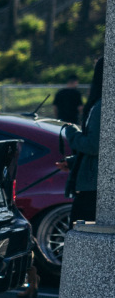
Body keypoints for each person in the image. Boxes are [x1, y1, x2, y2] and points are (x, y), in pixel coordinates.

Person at [65, 57, 103, 225]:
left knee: (79, 232)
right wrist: (74, 162)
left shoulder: (101, 106)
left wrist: (71, 133)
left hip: (93, 186)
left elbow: (94, 146)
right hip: (97, 183)